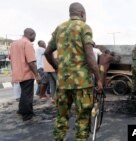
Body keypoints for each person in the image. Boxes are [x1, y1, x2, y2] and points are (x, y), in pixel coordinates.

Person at [44, 2, 103, 141]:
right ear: (82, 14)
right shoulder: (84, 27)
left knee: (61, 117)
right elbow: (90, 56)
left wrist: (57, 66)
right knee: (82, 119)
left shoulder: (60, 28)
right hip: (82, 84)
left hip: (63, 83)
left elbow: (47, 52)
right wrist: (99, 79)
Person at [9, 28, 41, 121]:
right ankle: (27, 115)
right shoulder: (27, 44)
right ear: (31, 34)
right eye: (34, 36)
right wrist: (37, 75)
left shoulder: (13, 44)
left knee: (24, 93)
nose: (34, 38)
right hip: (26, 73)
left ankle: (21, 111)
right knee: (27, 95)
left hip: (17, 72)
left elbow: (11, 59)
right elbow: (31, 62)